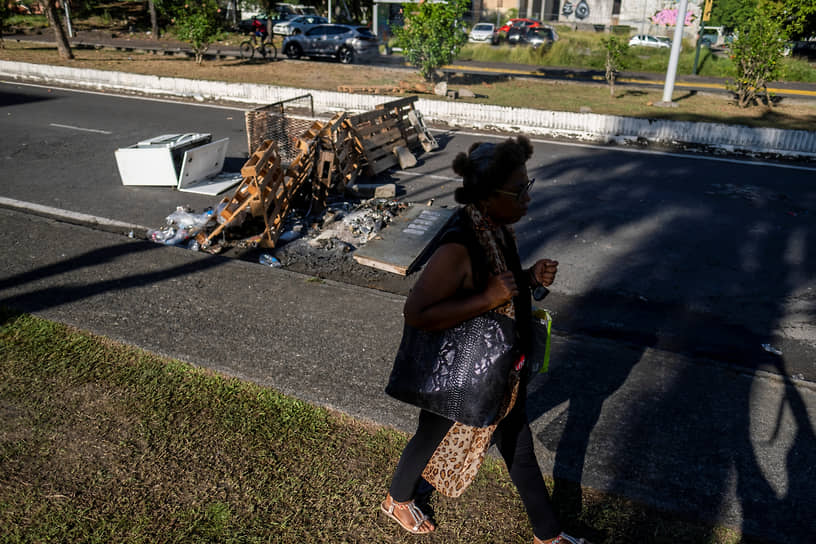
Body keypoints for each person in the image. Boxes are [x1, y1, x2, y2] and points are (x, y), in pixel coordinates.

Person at [381, 136, 592, 544]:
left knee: (517, 442)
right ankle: (396, 499)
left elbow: (502, 287)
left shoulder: (496, 230)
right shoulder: (458, 247)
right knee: (432, 433)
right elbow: (416, 313)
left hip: (497, 366)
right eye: (519, 191)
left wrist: (529, 278)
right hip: (461, 370)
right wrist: (487, 298)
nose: (527, 198)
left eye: (528, 187)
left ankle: (547, 533)